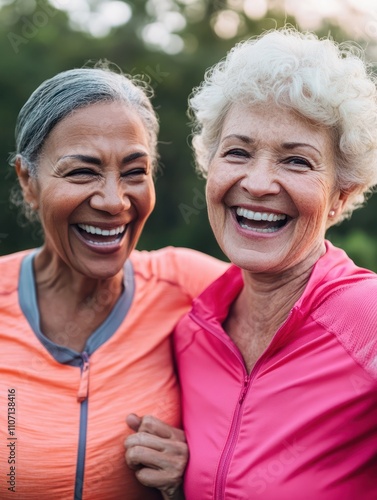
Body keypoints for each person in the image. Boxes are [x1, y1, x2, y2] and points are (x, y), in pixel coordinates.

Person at [125, 28, 377, 499]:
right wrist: (187, 475)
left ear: (341, 196)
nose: (258, 183)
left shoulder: (368, 319)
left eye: (297, 161)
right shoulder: (192, 330)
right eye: (238, 152)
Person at [0, 63, 227, 500]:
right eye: (82, 172)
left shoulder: (191, 287)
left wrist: (195, 471)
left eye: (134, 171)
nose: (114, 200)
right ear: (28, 181)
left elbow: (309, 307)